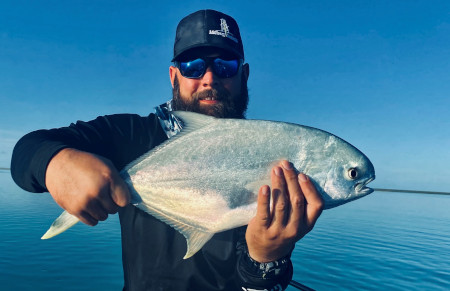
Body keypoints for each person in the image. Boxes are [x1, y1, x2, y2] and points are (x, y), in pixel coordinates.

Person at [11, 9, 323, 291]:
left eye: (225, 65)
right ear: (174, 76)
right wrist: (56, 162)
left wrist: (266, 256)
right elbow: (27, 151)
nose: (209, 79)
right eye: (193, 66)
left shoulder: (266, 156)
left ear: (244, 74)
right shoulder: (129, 135)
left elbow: (257, 282)